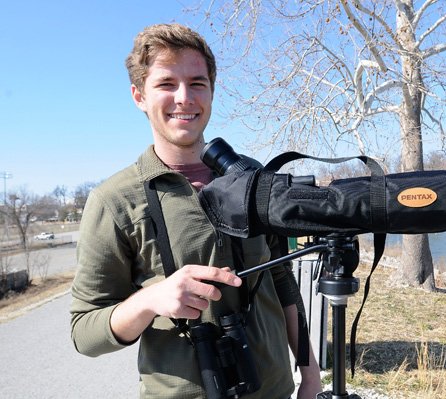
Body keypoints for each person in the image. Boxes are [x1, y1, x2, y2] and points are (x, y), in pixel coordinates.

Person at [70, 23, 321, 399]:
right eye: (166, 84)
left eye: (197, 83)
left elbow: (282, 280)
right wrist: (150, 300)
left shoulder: (254, 175)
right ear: (139, 96)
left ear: (212, 91)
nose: (184, 97)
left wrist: (311, 375)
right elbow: (84, 333)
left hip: (276, 390)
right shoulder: (113, 201)